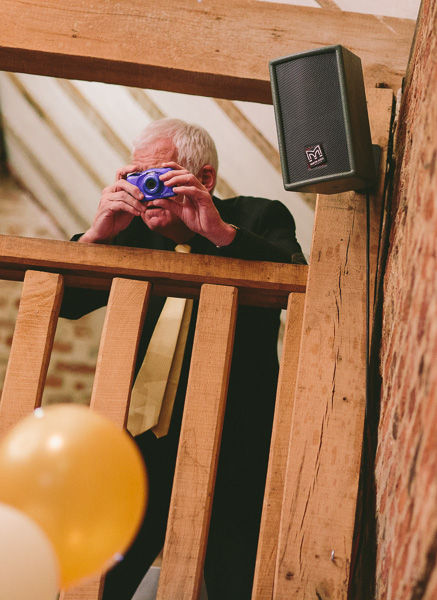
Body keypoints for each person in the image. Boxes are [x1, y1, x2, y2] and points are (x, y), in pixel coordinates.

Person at [60, 118, 306, 599]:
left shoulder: (257, 217)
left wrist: (219, 234)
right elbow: (66, 304)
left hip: (236, 444)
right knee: (94, 582)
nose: (146, 192)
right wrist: (96, 237)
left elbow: (296, 279)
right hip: (137, 446)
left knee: (236, 581)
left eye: (159, 178)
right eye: (137, 178)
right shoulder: (128, 233)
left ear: (205, 179)